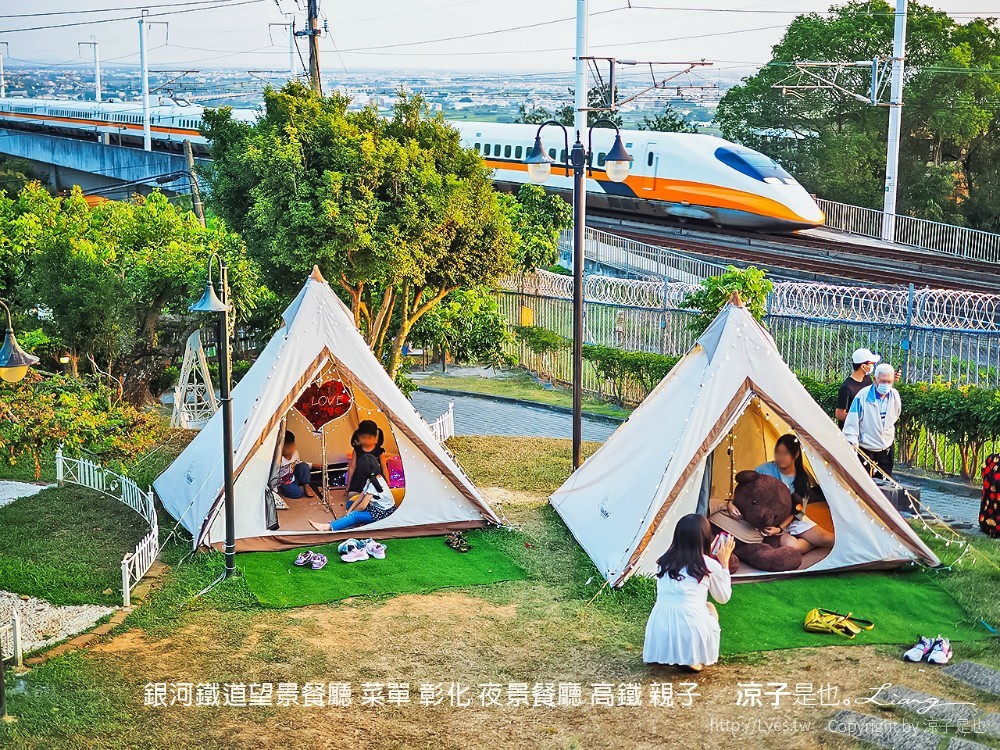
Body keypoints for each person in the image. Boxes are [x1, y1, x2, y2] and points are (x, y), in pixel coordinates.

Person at [643, 514, 735, 672]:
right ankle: (692, 658)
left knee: (695, 606)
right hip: (691, 626)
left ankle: (667, 652)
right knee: (710, 607)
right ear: (706, 538)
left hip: (659, 627)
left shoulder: (663, 562)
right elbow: (723, 597)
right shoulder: (708, 565)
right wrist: (724, 564)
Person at [751, 434, 835, 554]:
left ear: (795, 455)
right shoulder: (764, 470)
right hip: (770, 521)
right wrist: (731, 504)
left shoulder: (802, 477)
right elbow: (746, 488)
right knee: (791, 546)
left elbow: (798, 510)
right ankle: (812, 543)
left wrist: (779, 528)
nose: (781, 457)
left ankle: (816, 541)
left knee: (829, 539)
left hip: (792, 519)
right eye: (778, 452)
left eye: (785, 453)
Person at [308, 420, 396, 531]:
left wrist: (352, 514)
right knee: (351, 503)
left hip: (383, 513)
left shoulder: (375, 483)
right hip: (375, 507)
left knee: (355, 515)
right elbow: (360, 496)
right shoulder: (371, 479)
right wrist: (348, 512)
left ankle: (328, 527)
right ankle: (354, 521)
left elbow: (363, 505)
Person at [843, 363, 902, 478]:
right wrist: (852, 442)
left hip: (886, 448)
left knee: (885, 483)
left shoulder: (894, 395)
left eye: (889, 382)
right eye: (883, 381)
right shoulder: (862, 396)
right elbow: (852, 422)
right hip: (866, 449)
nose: (886, 385)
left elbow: (895, 414)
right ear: (875, 380)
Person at [836, 348, 879, 429]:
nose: (872, 366)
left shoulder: (867, 379)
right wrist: (859, 420)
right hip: (850, 432)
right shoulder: (846, 387)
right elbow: (840, 414)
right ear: (863, 366)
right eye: (871, 363)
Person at [277, 430, 318, 500]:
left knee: (303, 465)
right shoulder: (278, 459)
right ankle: (289, 488)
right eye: (288, 447)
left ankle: (306, 485)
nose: (292, 449)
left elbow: (298, 462)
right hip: (284, 481)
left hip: (293, 476)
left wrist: (312, 465)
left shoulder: (294, 453)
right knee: (297, 493)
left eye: (293, 445)